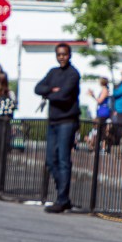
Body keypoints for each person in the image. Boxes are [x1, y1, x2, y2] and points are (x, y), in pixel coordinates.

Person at [35, 42, 80, 213]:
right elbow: (37, 88)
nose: (61, 57)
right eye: (59, 54)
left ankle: (62, 199)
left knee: (63, 160)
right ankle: (63, 195)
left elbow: (63, 95)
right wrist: (50, 90)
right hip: (53, 121)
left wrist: (49, 94)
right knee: (50, 160)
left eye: (64, 54)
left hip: (67, 121)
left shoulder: (73, 74)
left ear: (70, 55)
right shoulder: (53, 72)